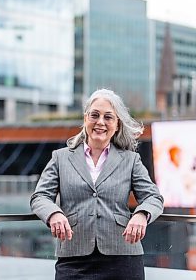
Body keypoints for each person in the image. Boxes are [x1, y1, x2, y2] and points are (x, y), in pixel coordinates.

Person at [30, 89, 164, 280]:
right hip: (73, 258)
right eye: (95, 115)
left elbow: (153, 197)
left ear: (116, 125)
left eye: (108, 117)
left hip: (123, 258)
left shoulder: (131, 160)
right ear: (86, 119)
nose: (100, 122)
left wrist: (142, 215)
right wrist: (54, 214)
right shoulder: (60, 158)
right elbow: (40, 196)